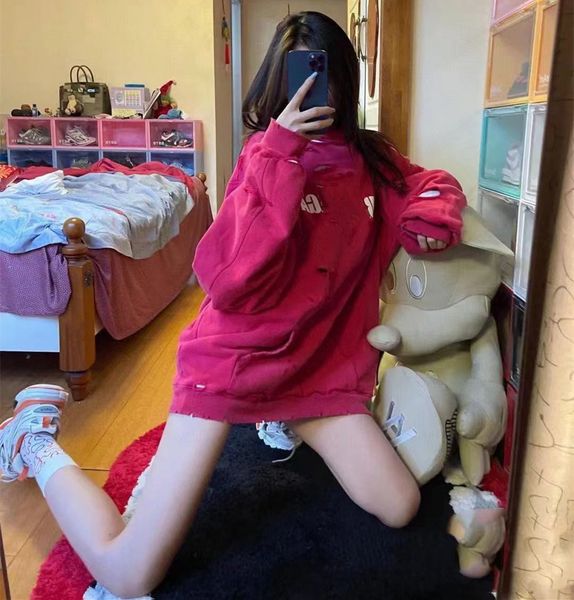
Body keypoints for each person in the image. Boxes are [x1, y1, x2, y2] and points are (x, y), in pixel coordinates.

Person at [0, 12, 466, 598]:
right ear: (276, 82)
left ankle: (285, 415)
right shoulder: (260, 157)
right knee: (128, 572)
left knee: (399, 505)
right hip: (234, 363)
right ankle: (33, 439)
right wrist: (281, 154)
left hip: (317, 371)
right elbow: (225, 278)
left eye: (322, 74)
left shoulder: (372, 161)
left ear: (343, 80)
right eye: (297, 75)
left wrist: (433, 215)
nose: (312, 89)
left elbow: (431, 184)